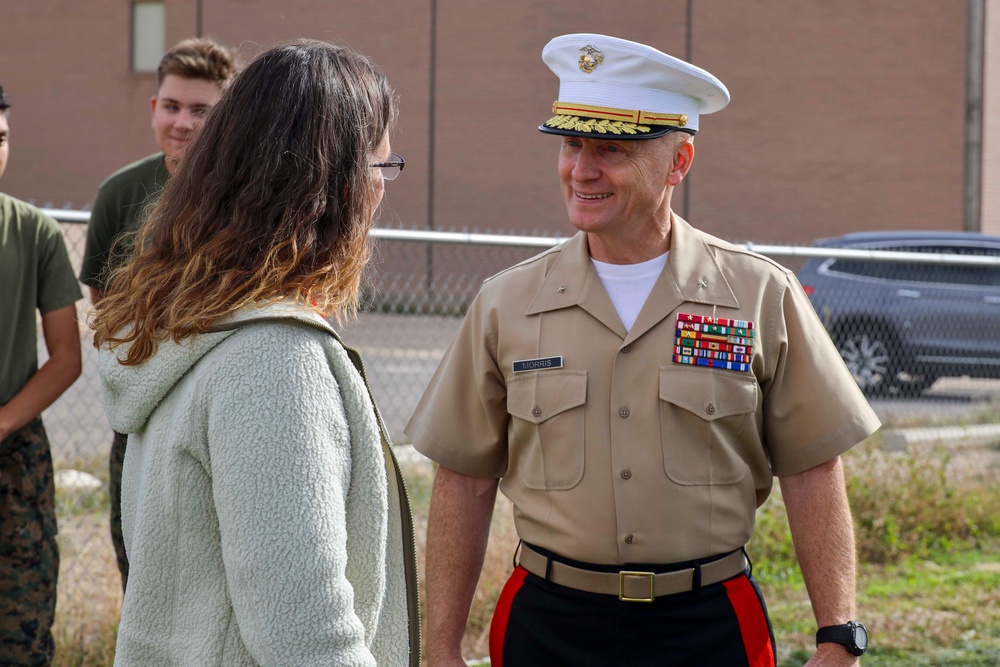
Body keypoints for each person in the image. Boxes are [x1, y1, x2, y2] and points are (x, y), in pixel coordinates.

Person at [406, 33, 879, 667]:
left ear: (680, 161)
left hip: (708, 626)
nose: (581, 169)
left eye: (611, 149)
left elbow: (813, 468)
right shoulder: (505, 303)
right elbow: (463, 482)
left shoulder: (760, 294)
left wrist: (838, 634)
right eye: (572, 144)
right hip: (548, 628)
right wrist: (440, 649)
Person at [90, 39, 418, 666]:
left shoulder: (186, 324)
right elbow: (305, 631)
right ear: (335, 187)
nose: (382, 193)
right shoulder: (272, 360)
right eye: (380, 168)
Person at [79, 36, 238, 591]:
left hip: (228, 419)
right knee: (143, 575)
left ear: (227, 117)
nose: (183, 123)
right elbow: (107, 314)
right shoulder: (119, 195)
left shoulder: (251, 200)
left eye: (202, 110)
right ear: (154, 109)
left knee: (221, 577)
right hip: (142, 421)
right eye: (172, 106)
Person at [0, 85, 83, 665]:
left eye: (0, 139)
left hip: (15, 452)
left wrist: (3, 423)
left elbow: (66, 358)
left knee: (22, 635)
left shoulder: (34, 233)